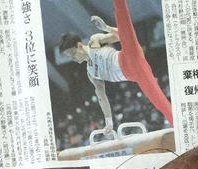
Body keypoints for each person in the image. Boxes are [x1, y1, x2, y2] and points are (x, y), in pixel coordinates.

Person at [58, 0, 173, 133]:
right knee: (161, 104)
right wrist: (109, 122)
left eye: (72, 53)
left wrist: (106, 28)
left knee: (123, 18)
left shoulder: (94, 41)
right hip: (136, 75)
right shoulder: (91, 73)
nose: (72, 58)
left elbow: (121, 35)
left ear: (79, 45)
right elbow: (101, 97)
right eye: (69, 57)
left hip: (128, 56)